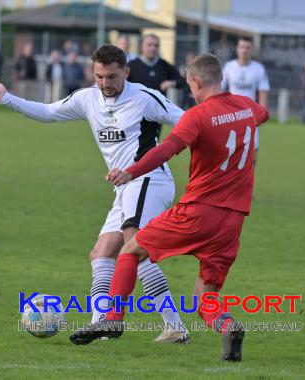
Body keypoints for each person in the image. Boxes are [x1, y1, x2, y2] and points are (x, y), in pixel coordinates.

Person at [69, 54, 270, 362]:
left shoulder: (198, 115)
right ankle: (228, 328)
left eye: (190, 85)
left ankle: (113, 317)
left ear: (198, 82)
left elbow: (166, 149)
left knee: (131, 250)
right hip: (233, 220)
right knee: (206, 298)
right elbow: (263, 113)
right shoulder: (246, 107)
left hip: (199, 210)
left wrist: (131, 171)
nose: (190, 92)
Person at [0, 45, 189, 343]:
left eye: (112, 77)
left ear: (126, 72)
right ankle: (101, 325)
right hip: (124, 188)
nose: (105, 83)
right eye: (99, 76)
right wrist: (7, 98)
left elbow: (186, 121)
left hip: (150, 180)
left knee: (134, 249)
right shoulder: (87, 98)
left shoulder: (144, 97)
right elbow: (48, 112)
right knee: (101, 253)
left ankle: (168, 326)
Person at [222, 36, 270, 166]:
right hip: (230, 117)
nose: (245, 50)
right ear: (237, 49)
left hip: (250, 118)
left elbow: (263, 92)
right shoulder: (229, 67)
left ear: (252, 50)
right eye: (242, 47)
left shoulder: (258, 69)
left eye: (248, 48)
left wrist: (261, 115)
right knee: (229, 154)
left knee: (252, 155)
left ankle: (249, 185)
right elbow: (219, 90)